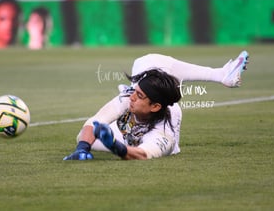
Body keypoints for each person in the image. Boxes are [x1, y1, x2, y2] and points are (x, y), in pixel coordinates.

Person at [63, 51, 250, 160]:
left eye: (140, 95)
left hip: (135, 139)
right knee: (83, 136)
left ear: (155, 106)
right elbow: (94, 122)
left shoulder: (165, 132)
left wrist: (114, 146)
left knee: (97, 138)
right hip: (130, 130)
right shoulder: (129, 97)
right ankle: (221, 75)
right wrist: (81, 149)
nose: (132, 97)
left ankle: (221, 75)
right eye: (135, 91)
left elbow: (143, 154)